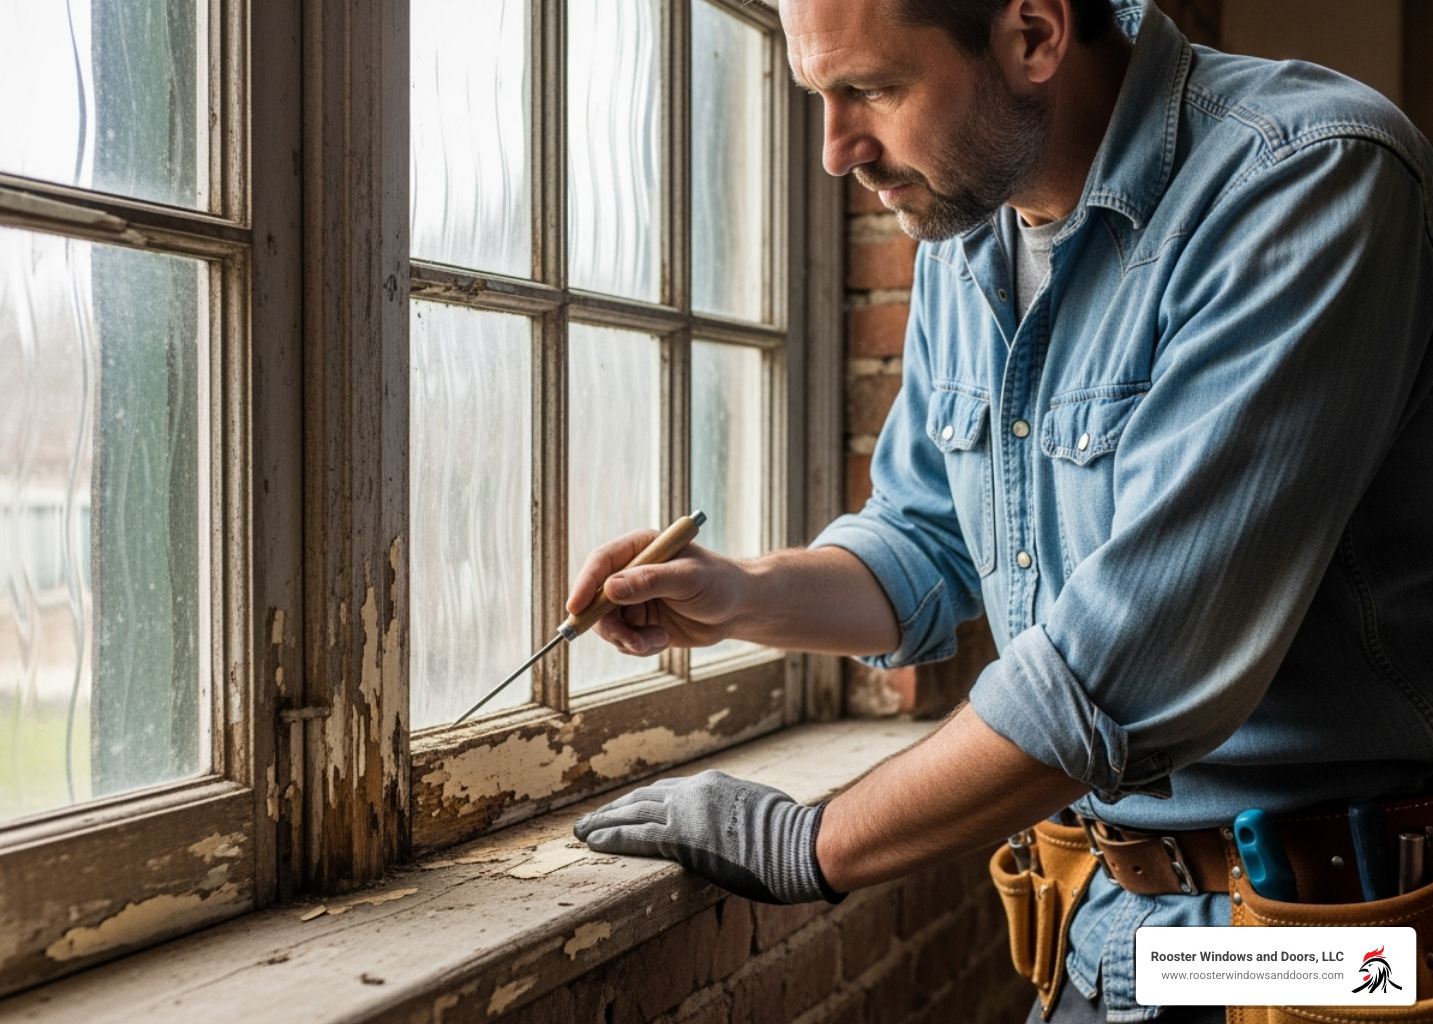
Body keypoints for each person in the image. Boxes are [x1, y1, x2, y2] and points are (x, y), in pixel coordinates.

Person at [570, 0, 1433, 1021]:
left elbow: (1121, 673)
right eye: (818, 97)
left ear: (1032, 33)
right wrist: (737, 593)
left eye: (874, 91)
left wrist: (813, 844)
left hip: (1328, 942)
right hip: (1103, 923)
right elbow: (927, 544)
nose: (836, 152)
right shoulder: (966, 232)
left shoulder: (1306, 179)